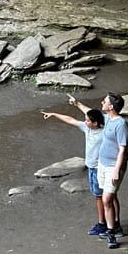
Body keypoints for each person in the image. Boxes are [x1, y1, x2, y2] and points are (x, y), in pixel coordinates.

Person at [41, 97, 107, 235]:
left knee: (100, 196)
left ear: (95, 123)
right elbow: (71, 120)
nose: (85, 122)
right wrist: (55, 114)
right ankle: (108, 223)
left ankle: (103, 223)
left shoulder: (105, 131)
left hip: (99, 168)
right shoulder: (88, 127)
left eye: (88, 121)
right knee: (101, 196)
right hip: (92, 167)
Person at [96, 92, 128, 249]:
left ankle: (111, 234)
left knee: (106, 199)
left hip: (113, 166)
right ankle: (116, 226)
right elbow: (90, 113)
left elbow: (123, 149)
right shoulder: (107, 118)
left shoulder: (121, 124)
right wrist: (77, 104)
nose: (102, 102)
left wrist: (116, 170)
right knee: (110, 196)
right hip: (102, 164)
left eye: (105, 101)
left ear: (110, 106)